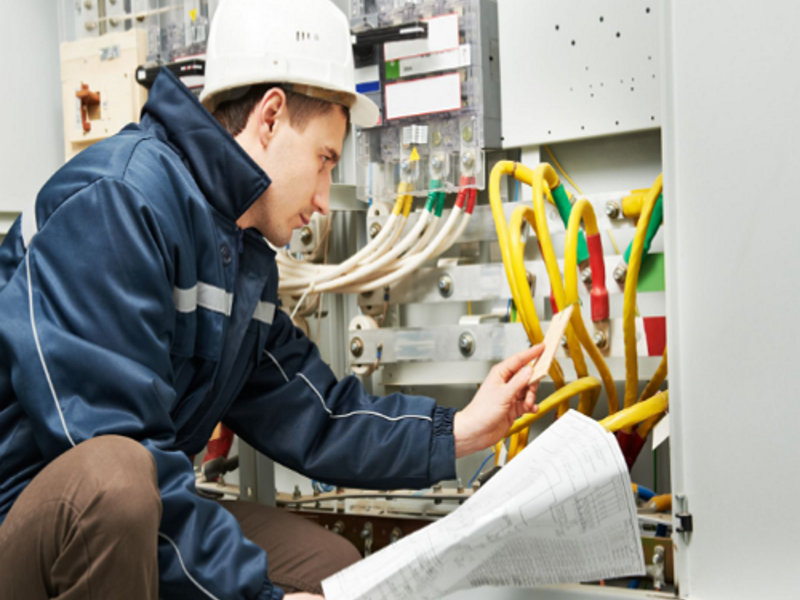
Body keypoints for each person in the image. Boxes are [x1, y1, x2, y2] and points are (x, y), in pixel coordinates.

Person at [0, 0, 543, 598]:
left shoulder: (236, 252)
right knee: (118, 480)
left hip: (133, 511)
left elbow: (318, 415)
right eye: (324, 160)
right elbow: (111, 451)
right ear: (270, 116)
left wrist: (463, 428)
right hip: (30, 520)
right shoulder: (120, 204)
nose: (322, 196)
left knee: (327, 567)